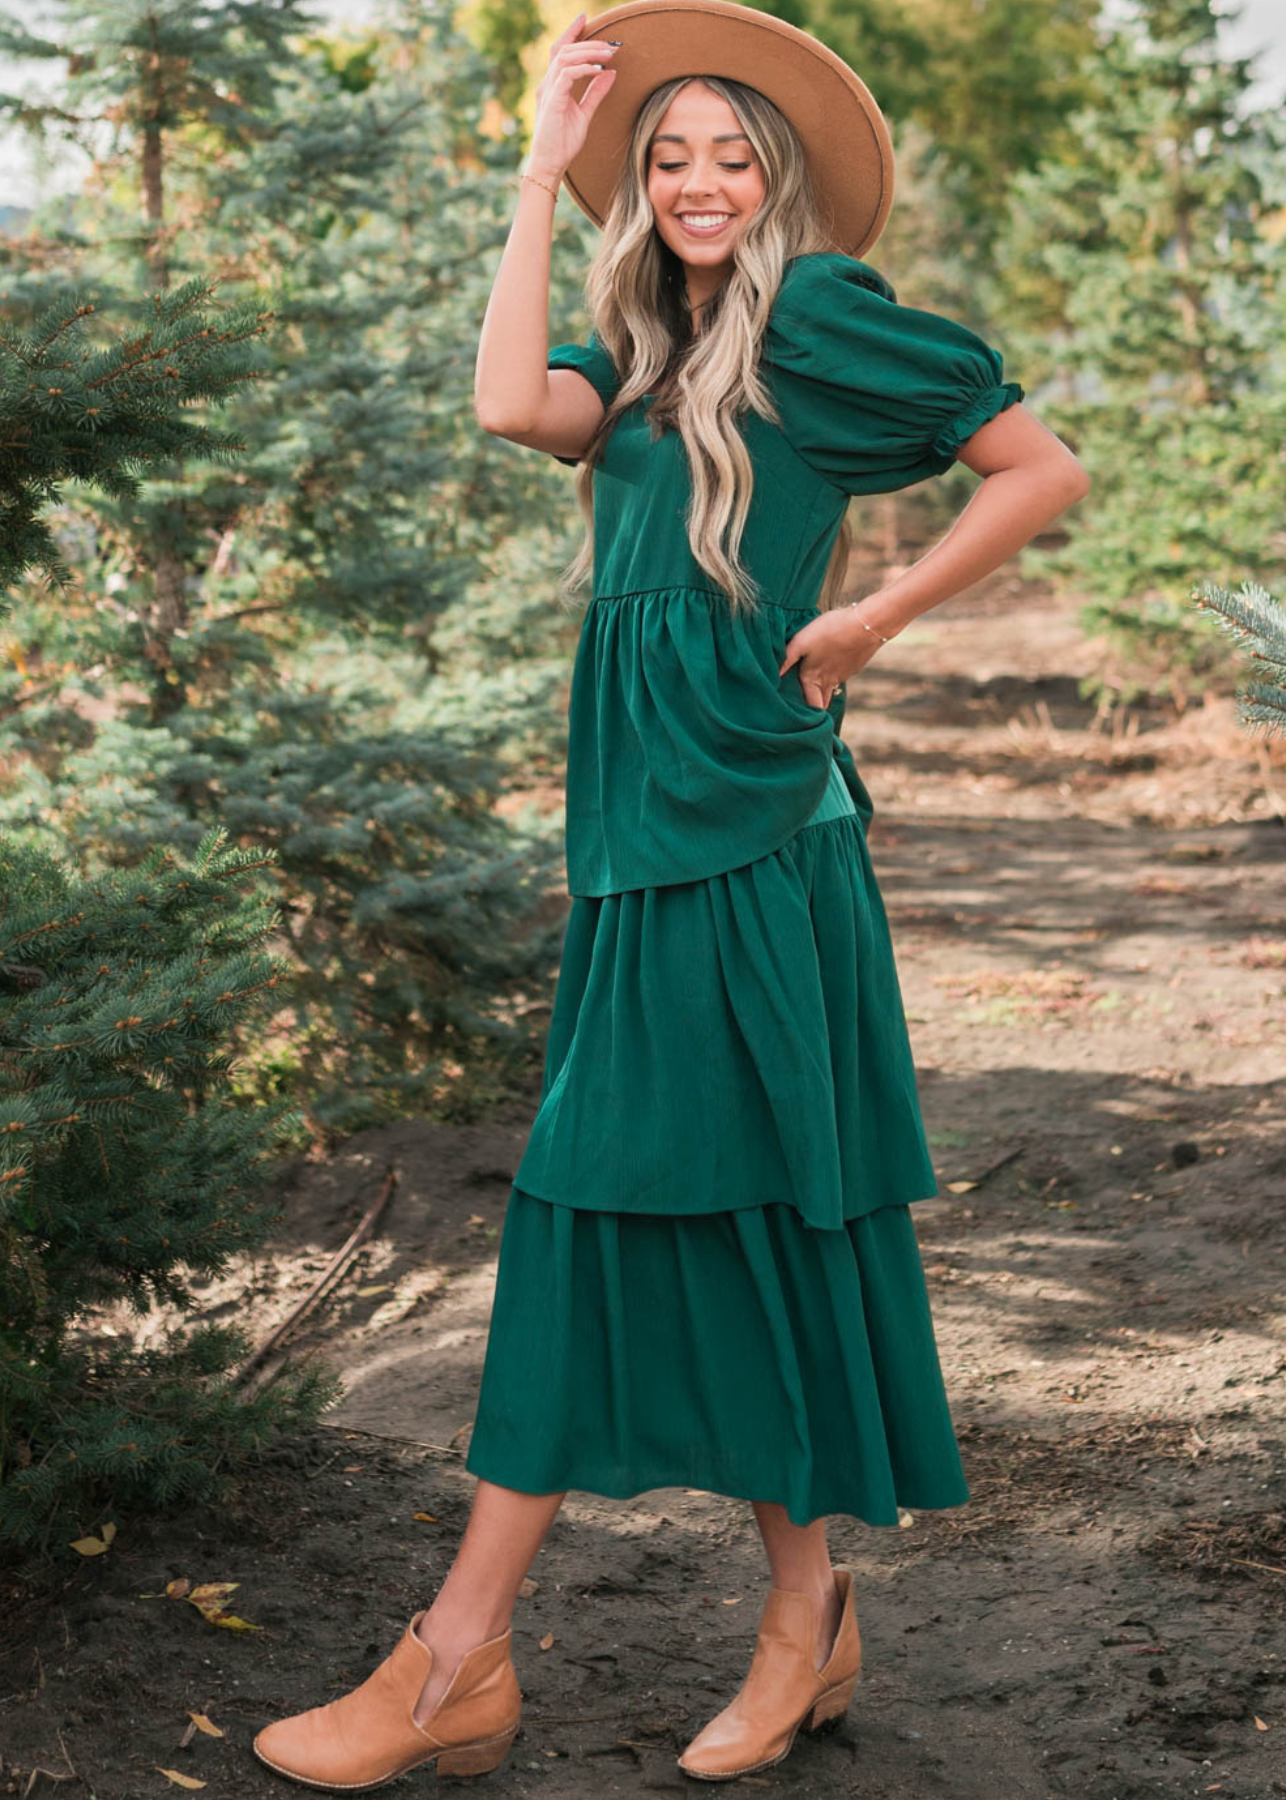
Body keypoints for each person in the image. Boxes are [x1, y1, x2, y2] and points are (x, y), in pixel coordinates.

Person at [252, 0, 1090, 1789]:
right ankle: (755, 1626)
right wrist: (540, 174)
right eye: (669, 157)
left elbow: (1041, 467)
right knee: (666, 1196)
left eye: (730, 156)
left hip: (758, 835)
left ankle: (476, 1656)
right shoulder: (636, 347)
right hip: (641, 844)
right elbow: (499, 405)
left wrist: (871, 618)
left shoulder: (821, 320)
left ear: (775, 179)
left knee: (654, 1195)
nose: (699, 183)